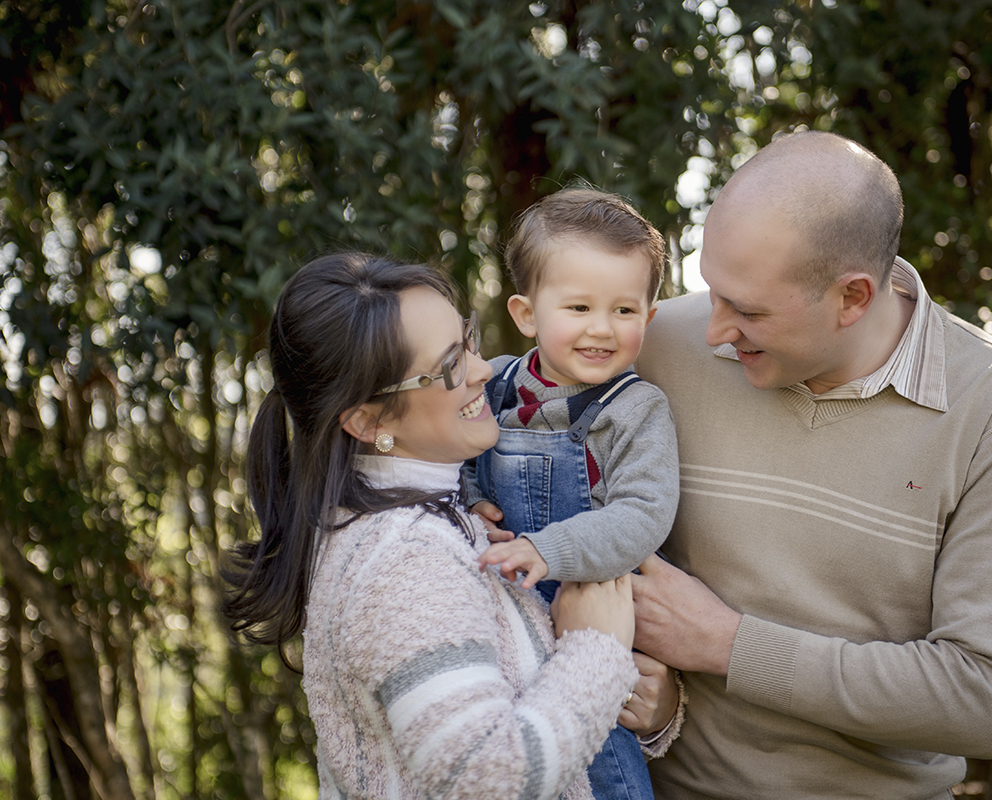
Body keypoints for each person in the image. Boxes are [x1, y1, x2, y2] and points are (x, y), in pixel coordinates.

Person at [629, 131, 992, 798]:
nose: (713, 329)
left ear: (853, 297)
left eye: (747, 310)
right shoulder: (658, 346)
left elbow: (985, 702)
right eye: (711, 291)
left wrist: (728, 644)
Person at [222, 253, 680, 799]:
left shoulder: (440, 513)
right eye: (449, 367)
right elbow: (486, 778)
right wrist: (597, 651)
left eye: (467, 340)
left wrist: (643, 700)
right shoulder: (404, 561)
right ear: (369, 421)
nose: (484, 370)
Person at [462, 187, 681, 800]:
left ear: (649, 317)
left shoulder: (633, 409)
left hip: (593, 626)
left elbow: (644, 514)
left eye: (624, 311)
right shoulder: (499, 385)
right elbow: (459, 454)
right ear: (527, 314)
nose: (601, 330)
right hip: (507, 622)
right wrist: (475, 496)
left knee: (604, 765)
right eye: (579, 308)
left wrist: (549, 548)